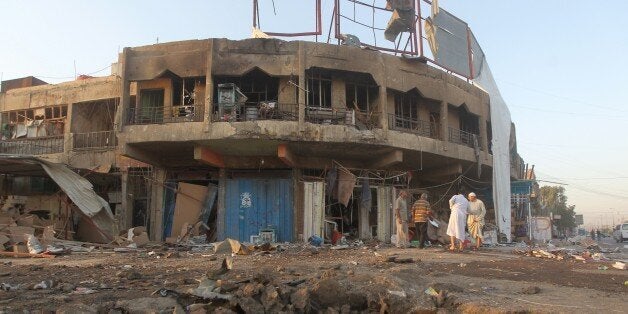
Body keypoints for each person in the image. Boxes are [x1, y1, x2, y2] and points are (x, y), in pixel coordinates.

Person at [447, 187, 469, 251]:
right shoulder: (466, 200)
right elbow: (469, 209)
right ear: (464, 194)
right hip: (462, 215)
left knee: (452, 230)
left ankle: (453, 246)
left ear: (458, 193)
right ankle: (461, 247)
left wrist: (451, 207)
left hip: (454, 213)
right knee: (461, 230)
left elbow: (450, 201)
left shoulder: (455, 196)